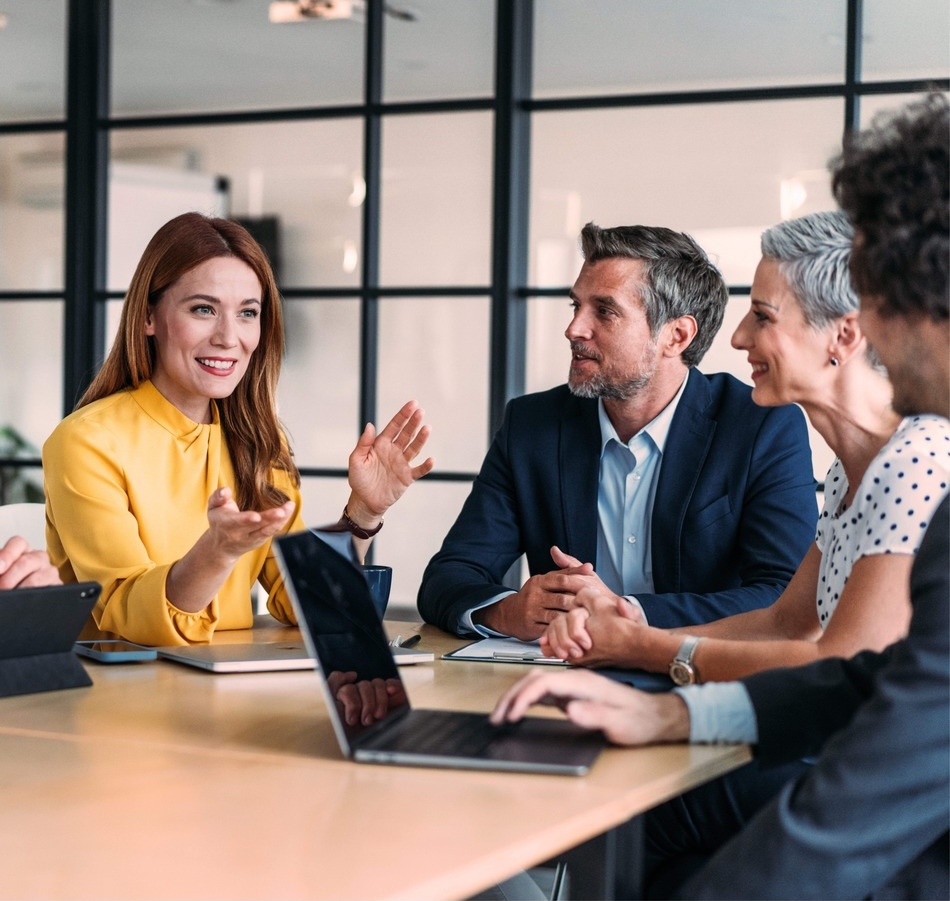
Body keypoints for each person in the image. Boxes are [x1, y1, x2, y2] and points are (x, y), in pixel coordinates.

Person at [491, 93, 950, 900]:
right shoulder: (858, 467)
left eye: (876, 291)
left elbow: (878, 730)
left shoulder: (924, 463)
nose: (735, 339)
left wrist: (646, 651)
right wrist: (671, 712)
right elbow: (851, 670)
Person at [540, 210, 949, 680]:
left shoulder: (914, 462)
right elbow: (783, 623)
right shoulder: (848, 473)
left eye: (762, 317)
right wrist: (627, 633)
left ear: (845, 334)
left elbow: (839, 662)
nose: (737, 338)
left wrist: (642, 650)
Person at [42, 212, 433, 647]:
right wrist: (217, 552)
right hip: (125, 696)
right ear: (149, 317)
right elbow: (128, 617)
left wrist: (363, 512)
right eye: (204, 309)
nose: (229, 337)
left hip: (232, 689)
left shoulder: (259, 441)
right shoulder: (87, 441)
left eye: (248, 313)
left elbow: (304, 601)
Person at [418, 223, 818, 641]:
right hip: (559, 682)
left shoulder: (761, 426)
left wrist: (627, 614)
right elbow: (449, 577)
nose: (574, 329)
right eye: (576, 307)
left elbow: (784, 597)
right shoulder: (531, 426)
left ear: (676, 336)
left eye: (604, 311)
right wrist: (510, 609)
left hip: (696, 677)